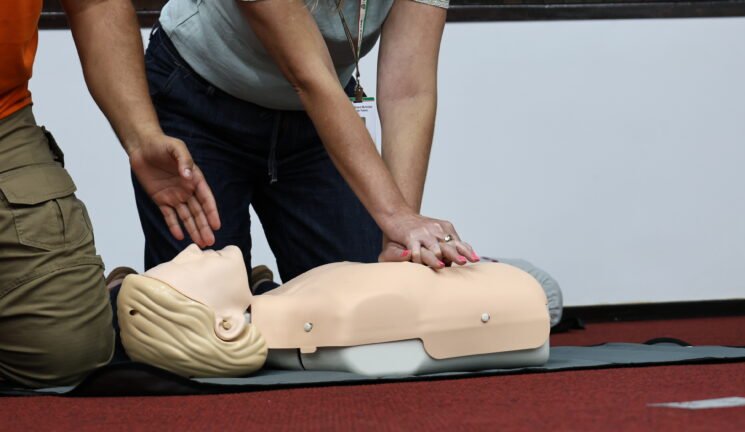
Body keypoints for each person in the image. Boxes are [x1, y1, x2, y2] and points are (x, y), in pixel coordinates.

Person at [135, 0, 479, 285]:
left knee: (370, 297)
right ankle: (122, 297)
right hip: (200, 100)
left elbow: (409, 92)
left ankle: (262, 292)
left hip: (317, 117)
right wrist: (395, 215)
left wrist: (400, 235)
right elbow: (309, 75)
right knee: (201, 318)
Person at [0, 0, 218, 388]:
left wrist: (142, 136)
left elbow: (96, 5)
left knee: (69, 352)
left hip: (4, 121)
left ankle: (108, 301)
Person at [117, 244, 551, 378]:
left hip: (492, 285)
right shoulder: (321, 315)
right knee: (544, 288)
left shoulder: (292, 305)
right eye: (183, 267)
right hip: (520, 290)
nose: (190, 250)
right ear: (227, 325)